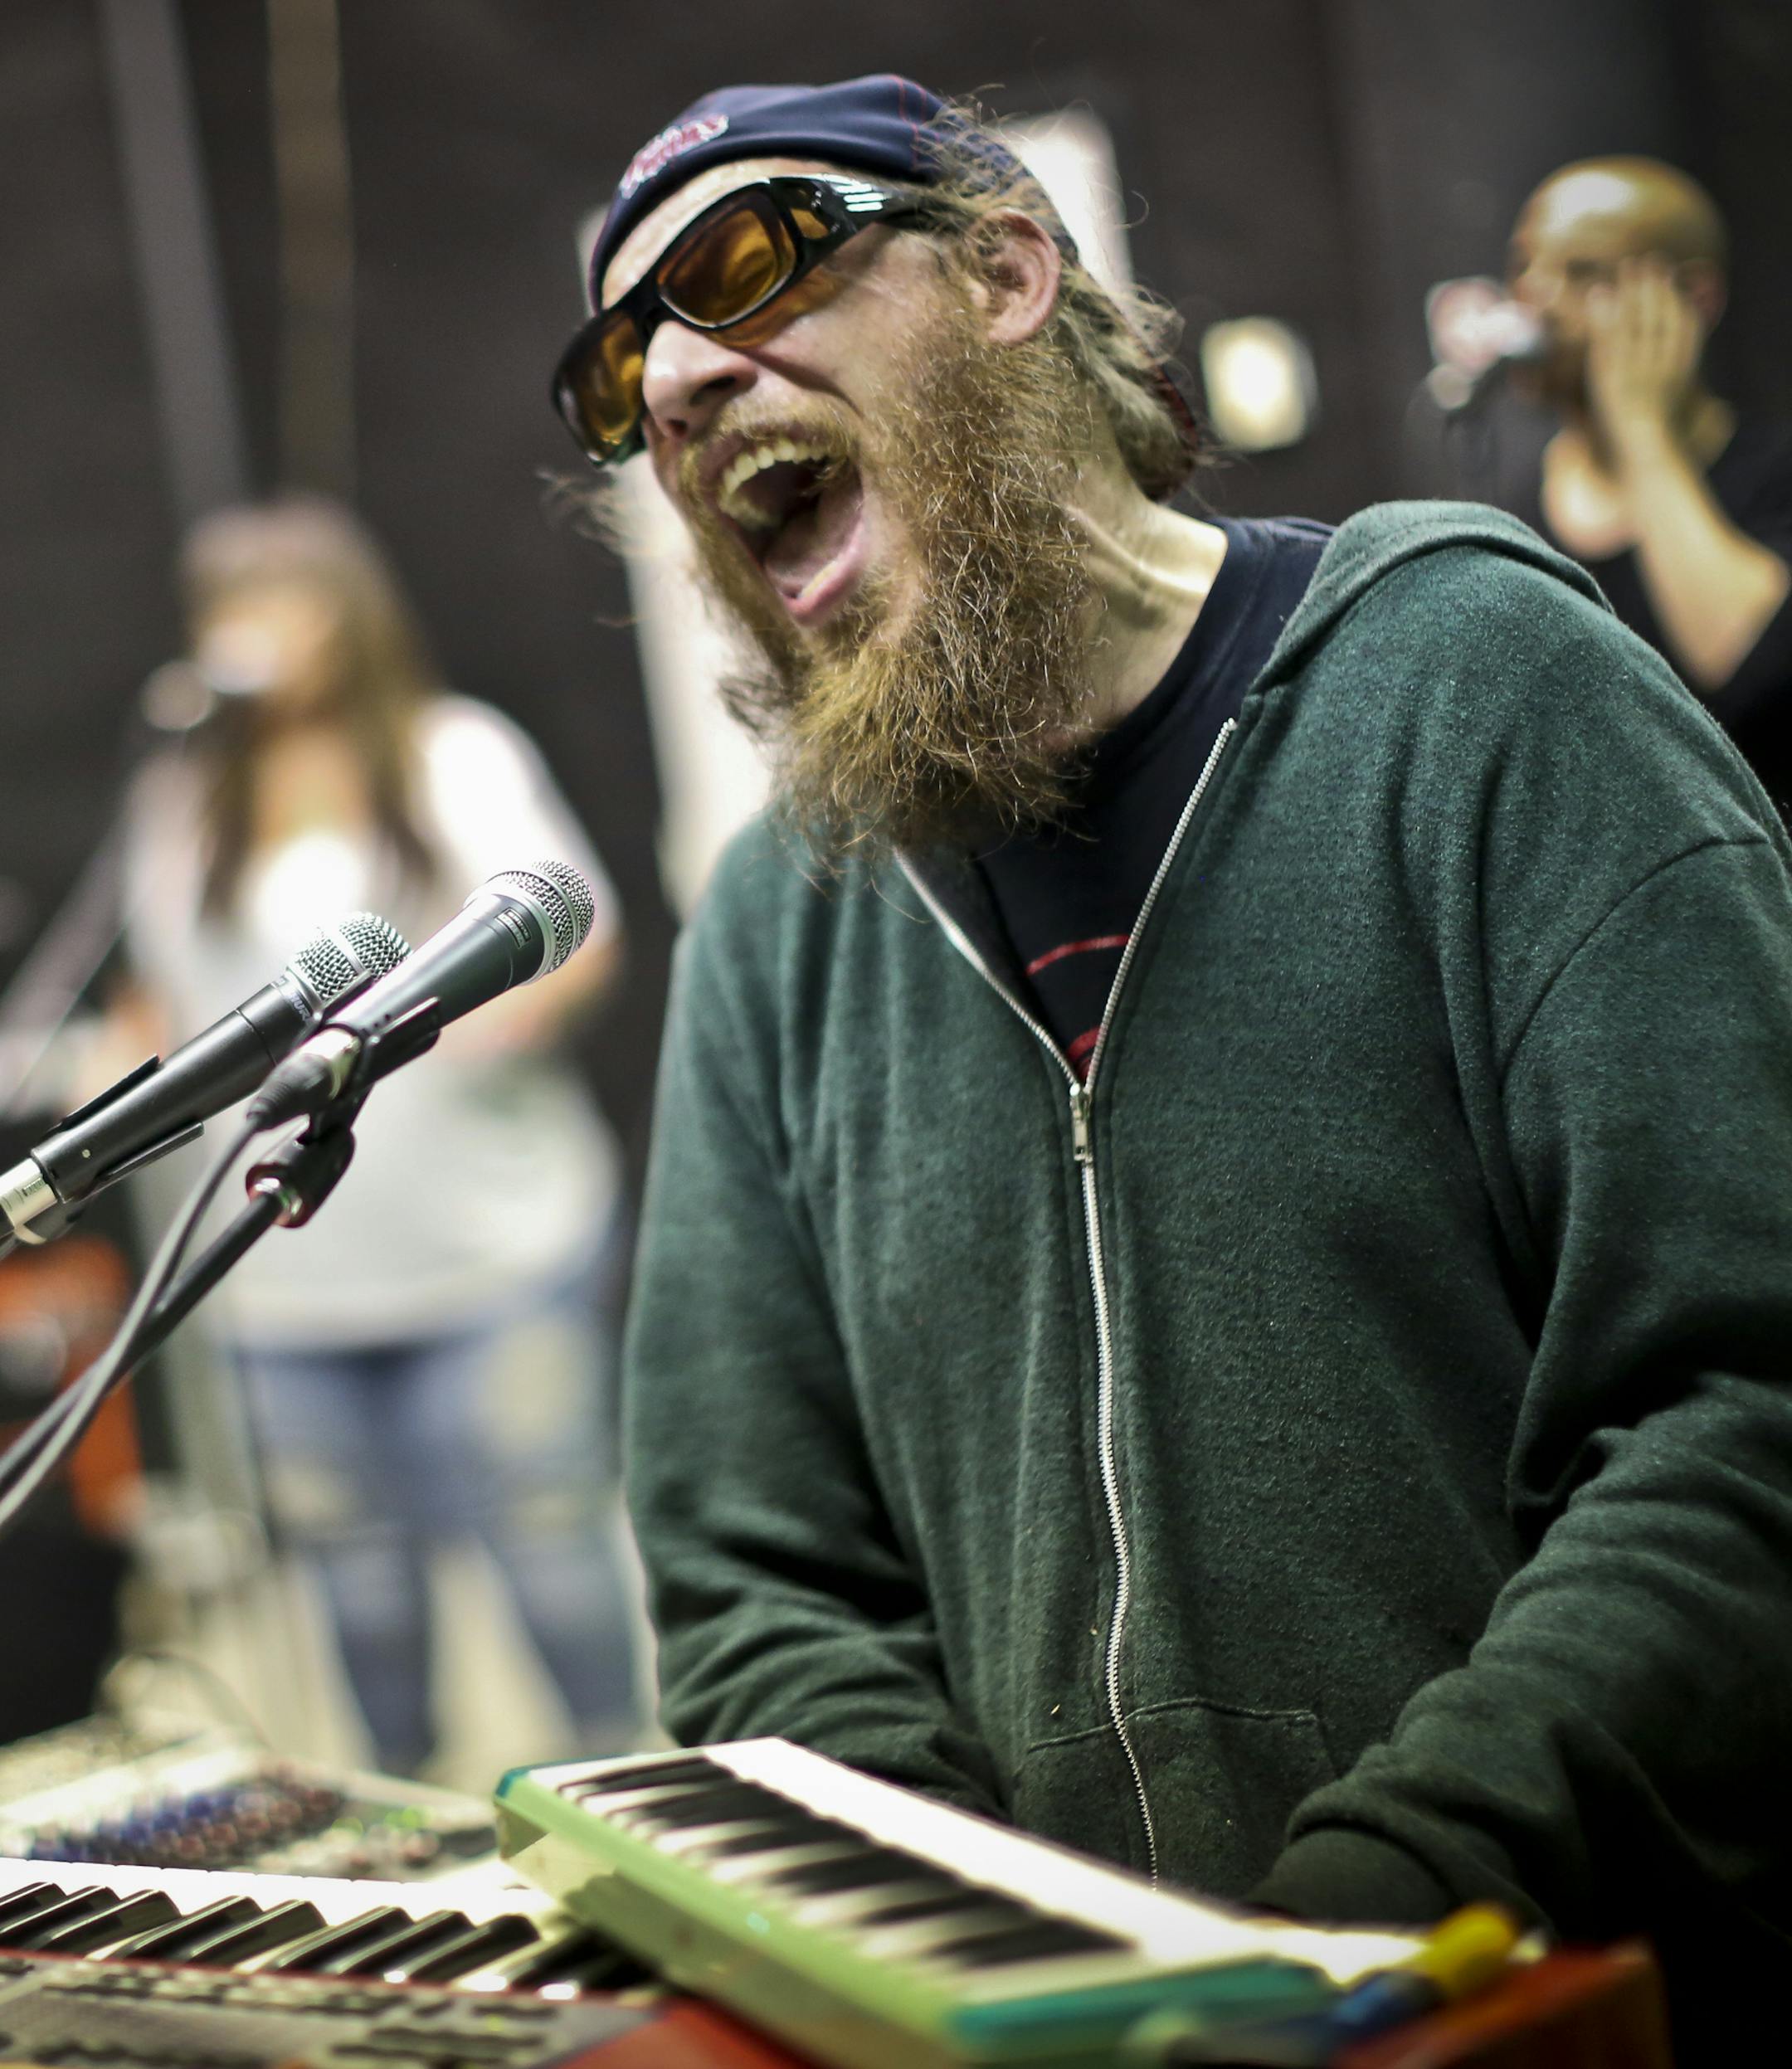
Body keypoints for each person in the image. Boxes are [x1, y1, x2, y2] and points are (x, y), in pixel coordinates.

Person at [562, 79, 1792, 2054]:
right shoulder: (783, 928)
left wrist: (1386, 1894)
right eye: (624, 367)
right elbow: (756, 1579)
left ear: (1004, 271)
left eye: (741, 266)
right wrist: (989, 1962)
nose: (682, 382)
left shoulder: (1476, 692)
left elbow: (1736, 1410)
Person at [117, 496, 642, 1775]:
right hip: (287, 1282)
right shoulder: (183, 798)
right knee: (358, 1586)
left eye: (279, 602)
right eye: (225, 608)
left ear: (345, 617)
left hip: (491, 1256)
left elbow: (582, 935)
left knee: (550, 1543)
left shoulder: (457, 755)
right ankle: (403, 1813)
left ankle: (625, 1784)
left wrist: (500, 1017)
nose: (251, 633)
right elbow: (166, 997)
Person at [1504, 157, 1792, 814]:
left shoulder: (1774, 473)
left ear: (1694, 300)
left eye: (1584, 273)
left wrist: (1640, 427)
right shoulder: (1512, 512)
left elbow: (1745, 664)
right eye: (1523, 267)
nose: (1536, 299)